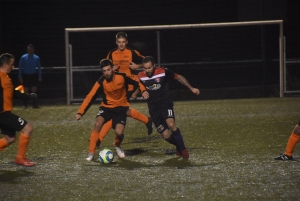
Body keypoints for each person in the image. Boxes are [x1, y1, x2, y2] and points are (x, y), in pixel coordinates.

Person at [76, 59, 146, 161]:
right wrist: (80, 112)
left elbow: (137, 80)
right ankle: (91, 153)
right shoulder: (101, 82)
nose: (106, 73)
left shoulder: (121, 76)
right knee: (98, 123)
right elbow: (90, 96)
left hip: (121, 108)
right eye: (104, 71)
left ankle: (117, 145)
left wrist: (142, 90)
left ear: (112, 69)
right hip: (107, 107)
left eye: (108, 70)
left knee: (119, 132)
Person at [95, 32, 152, 148]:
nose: (121, 45)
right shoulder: (111, 53)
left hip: (128, 87)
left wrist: (137, 66)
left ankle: (99, 139)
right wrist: (112, 68)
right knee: (121, 112)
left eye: (123, 42)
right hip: (115, 86)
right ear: (116, 42)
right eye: (119, 42)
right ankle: (147, 120)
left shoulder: (132, 52)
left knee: (115, 113)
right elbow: (104, 65)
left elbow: (147, 61)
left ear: (126, 42)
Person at [138, 56, 200, 158]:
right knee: (166, 135)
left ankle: (183, 150)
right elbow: (139, 84)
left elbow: (179, 77)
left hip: (165, 103)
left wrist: (191, 88)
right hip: (153, 109)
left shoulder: (163, 71)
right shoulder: (140, 75)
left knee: (171, 124)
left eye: (149, 67)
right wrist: (142, 92)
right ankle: (178, 145)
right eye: (145, 68)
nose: (147, 70)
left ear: (154, 65)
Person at [0, 53, 37, 167]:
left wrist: (29, 96)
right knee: (28, 128)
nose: (13, 66)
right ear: (5, 65)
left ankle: (20, 158)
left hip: (6, 113)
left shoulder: (6, 77)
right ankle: (20, 158)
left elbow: (15, 94)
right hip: (2, 114)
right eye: (11, 64)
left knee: (10, 138)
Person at [18, 44, 42, 109]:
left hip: (33, 75)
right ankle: (25, 105)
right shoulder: (23, 57)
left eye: (31, 49)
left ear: (33, 50)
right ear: (27, 50)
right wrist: (20, 76)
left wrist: (40, 76)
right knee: (26, 90)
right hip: (26, 75)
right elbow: (20, 67)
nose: (30, 50)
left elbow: (39, 67)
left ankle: (34, 104)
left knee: (34, 89)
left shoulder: (36, 58)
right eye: (29, 49)